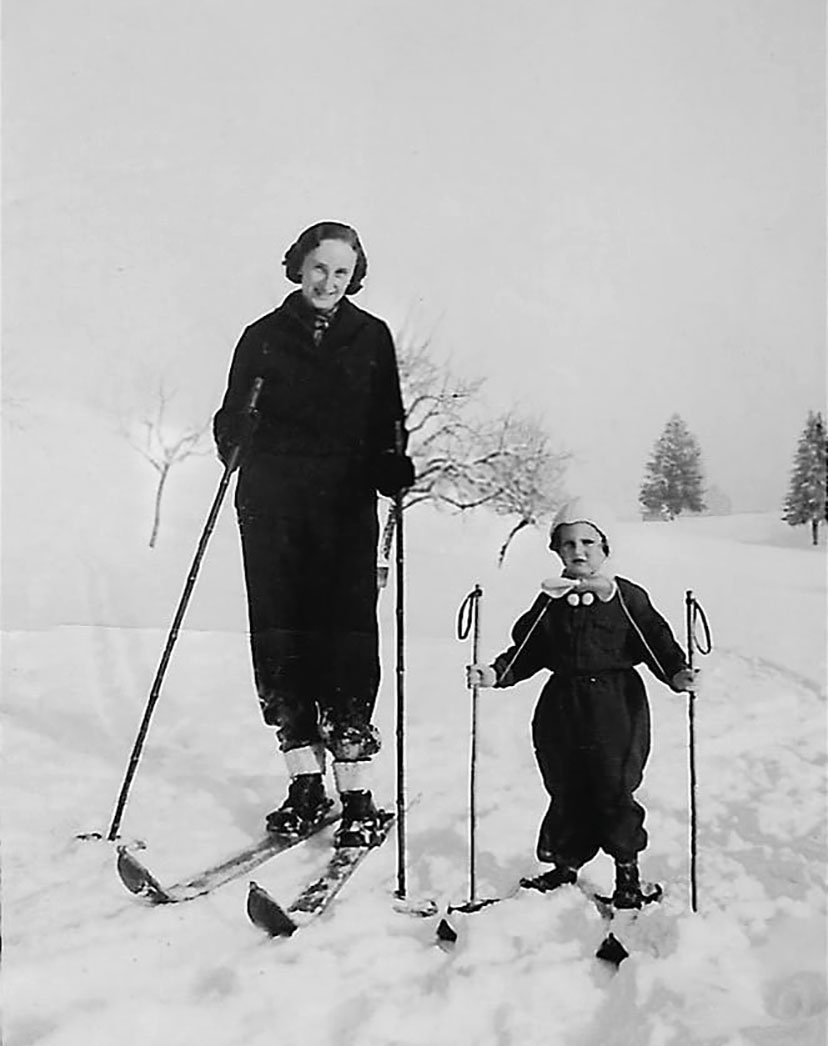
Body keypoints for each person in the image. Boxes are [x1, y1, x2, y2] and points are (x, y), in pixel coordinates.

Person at [213, 221, 414, 848]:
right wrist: (234, 434)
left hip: (344, 503)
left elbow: (389, 417)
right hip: (272, 502)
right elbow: (229, 416)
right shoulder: (262, 337)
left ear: (356, 277)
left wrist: (392, 462)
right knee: (281, 635)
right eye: (319, 268)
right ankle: (305, 782)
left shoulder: (371, 337)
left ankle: (356, 790)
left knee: (347, 636)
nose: (329, 282)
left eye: (342, 272)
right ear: (298, 266)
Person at [466, 498, 698, 908]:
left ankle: (628, 874)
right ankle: (565, 865)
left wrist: (677, 673)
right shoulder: (551, 600)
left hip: (615, 705)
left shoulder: (626, 597)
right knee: (566, 785)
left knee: (613, 785)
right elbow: (528, 650)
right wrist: (497, 673)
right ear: (556, 549)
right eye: (569, 543)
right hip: (561, 705)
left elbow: (655, 640)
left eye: (589, 541)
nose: (579, 551)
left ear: (606, 548)